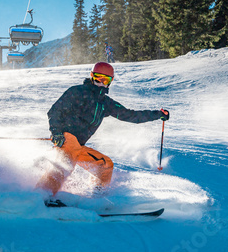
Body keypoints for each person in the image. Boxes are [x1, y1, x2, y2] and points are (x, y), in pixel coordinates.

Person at [37, 62, 169, 198]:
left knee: (105, 165)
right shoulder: (77, 92)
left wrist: (157, 114)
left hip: (78, 146)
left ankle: (97, 197)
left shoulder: (105, 103)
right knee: (66, 159)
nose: (101, 82)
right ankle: (43, 195)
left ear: (110, 82)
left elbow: (130, 115)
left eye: (105, 79)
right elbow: (55, 111)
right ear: (92, 76)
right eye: (98, 77)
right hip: (66, 139)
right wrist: (56, 132)